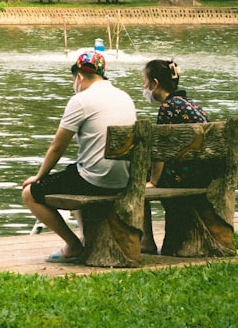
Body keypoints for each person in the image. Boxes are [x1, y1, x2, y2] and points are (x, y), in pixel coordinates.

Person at [21, 51, 137, 262]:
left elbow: (57, 147)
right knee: (76, 171)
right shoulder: (124, 97)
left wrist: (38, 177)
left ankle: (73, 245)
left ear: (80, 77)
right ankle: (87, 239)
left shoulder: (81, 100)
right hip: (123, 179)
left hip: (96, 181)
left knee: (30, 194)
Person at [139, 59, 210, 254]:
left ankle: (146, 241)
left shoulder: (168, 107)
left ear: (155, 83)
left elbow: (160, 151)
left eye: (144, 82)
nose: (144, 88)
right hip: (203, 172)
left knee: (136, 178)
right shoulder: (189, 103)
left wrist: (153, 181)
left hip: (185, 176)